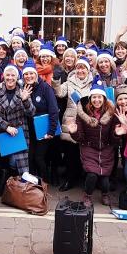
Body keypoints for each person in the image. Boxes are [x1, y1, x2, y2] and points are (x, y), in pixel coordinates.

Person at [67, 85, 117, 206]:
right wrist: (73, 132)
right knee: (92, 175)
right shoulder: (83, 113)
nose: (97, 100)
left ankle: (105, 194)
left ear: (104, 99)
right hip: (89, 147)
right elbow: (80, 138)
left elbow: (113, 139)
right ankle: (87, 195)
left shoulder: (111, 113)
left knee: (105, 178)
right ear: (90, 99)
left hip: (106, 148)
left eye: (99, 97)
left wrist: (117, 134)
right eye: (94, 97)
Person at [0, 65, 35, 179]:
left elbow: (31, 113)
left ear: (17, 77)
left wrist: (25, 100)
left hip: (18, 129)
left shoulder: (23, 91)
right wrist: (6, 127)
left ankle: (20, 187)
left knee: (18, 165)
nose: (10, 78)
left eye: (13, 75)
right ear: (3, 76)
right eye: (8, 75)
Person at [52, 57, 93, 191]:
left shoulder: (93, 83)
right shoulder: (69, 82)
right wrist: (56, 80)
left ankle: (84, 178)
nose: (80, 70)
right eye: (79, 67)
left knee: (85, 153)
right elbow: (59, 93)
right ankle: (70, 179)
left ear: (88, 70)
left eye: (83, 68)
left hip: (86, 122)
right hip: (70, 120)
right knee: (70, 153)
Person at [23, 60, 59, 181]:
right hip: (29, 129)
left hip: (43, 129)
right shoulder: (22, 88)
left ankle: (45, 182)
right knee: (30, 157)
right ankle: (33, 184)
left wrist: (51, 130)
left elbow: (54, 109)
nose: (29, 76)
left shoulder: (45, 88)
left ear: (36, 74)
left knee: (39, 158)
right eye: (26, 74)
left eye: (31, 73)